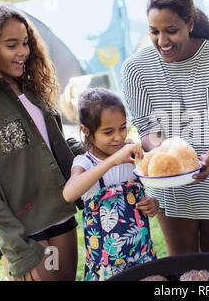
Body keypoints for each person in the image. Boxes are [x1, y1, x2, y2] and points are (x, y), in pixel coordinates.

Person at [121, 0, 209, 256]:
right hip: (168, 178)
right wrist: (175, 162)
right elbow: (147, 130)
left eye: (171, 30)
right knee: (183, 262)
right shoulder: (136, 69)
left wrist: (206, 159)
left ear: (189, 23)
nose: (162, 40)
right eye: (154, 31)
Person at [0, 4, 79, 281]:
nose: (23, 52)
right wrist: (16, 249)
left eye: (25, 43)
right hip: (23, 232)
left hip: (61, 214)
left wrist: (98, 152)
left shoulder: (33, 88)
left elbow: (54, 145)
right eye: (11, 45)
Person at [63, 88, 158, 281]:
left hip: (142, 257)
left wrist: (152, 204)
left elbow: (146, 194)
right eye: (108, 132)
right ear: (86, 131)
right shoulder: (85, 163)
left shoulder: (133, 157)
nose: (118, 137)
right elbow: (69, 193)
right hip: (107, 269)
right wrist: (112, 161)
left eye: (122, 128)